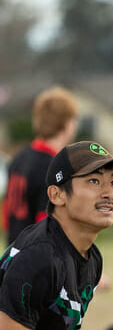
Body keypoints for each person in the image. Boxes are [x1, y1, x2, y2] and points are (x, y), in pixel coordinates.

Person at [0, 141, 113, 330]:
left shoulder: (91, 258)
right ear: (56, 195)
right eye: (94, 180)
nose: (109, 193)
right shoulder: (39, 259)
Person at [2, 86, 79, 245]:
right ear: (66, 124)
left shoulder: (19, 158)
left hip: (13, 253)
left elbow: (6, 219)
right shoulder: (54, 166)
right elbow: (49, 228)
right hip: (37, 259)